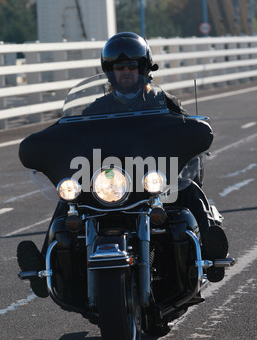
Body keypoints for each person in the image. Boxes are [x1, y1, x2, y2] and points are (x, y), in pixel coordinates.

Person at [17, 32, 229, 295]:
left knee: (191, 192)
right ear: (110, 72)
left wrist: (194, 133)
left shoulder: (164, 104)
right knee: (67, 202)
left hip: (154, 180)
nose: (127, 73)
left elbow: (187, 133)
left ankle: (212, 256)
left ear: (144, 69)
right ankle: (42, 268)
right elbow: (71, 135)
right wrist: (45, 142)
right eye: (120, 68)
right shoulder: (95, 109)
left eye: (132, 67)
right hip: (109, 184)